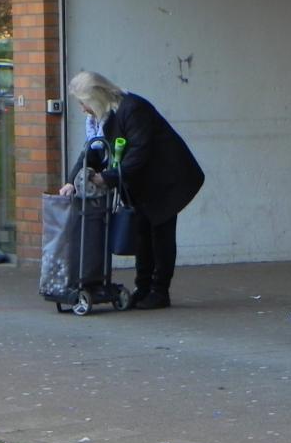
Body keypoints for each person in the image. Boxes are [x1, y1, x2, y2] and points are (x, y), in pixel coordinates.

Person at [60, 71, 203, 310]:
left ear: (95, 97)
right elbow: (93, 150)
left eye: (83, 102)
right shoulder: (102, 118)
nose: (82, 109)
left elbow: (139, 151)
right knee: (142, 233)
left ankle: (159, 291)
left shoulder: (133, 109)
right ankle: (143, 287)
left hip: (165, 180)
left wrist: (107, 177)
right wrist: (72, 181)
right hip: (143, 181)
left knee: (160, 234)